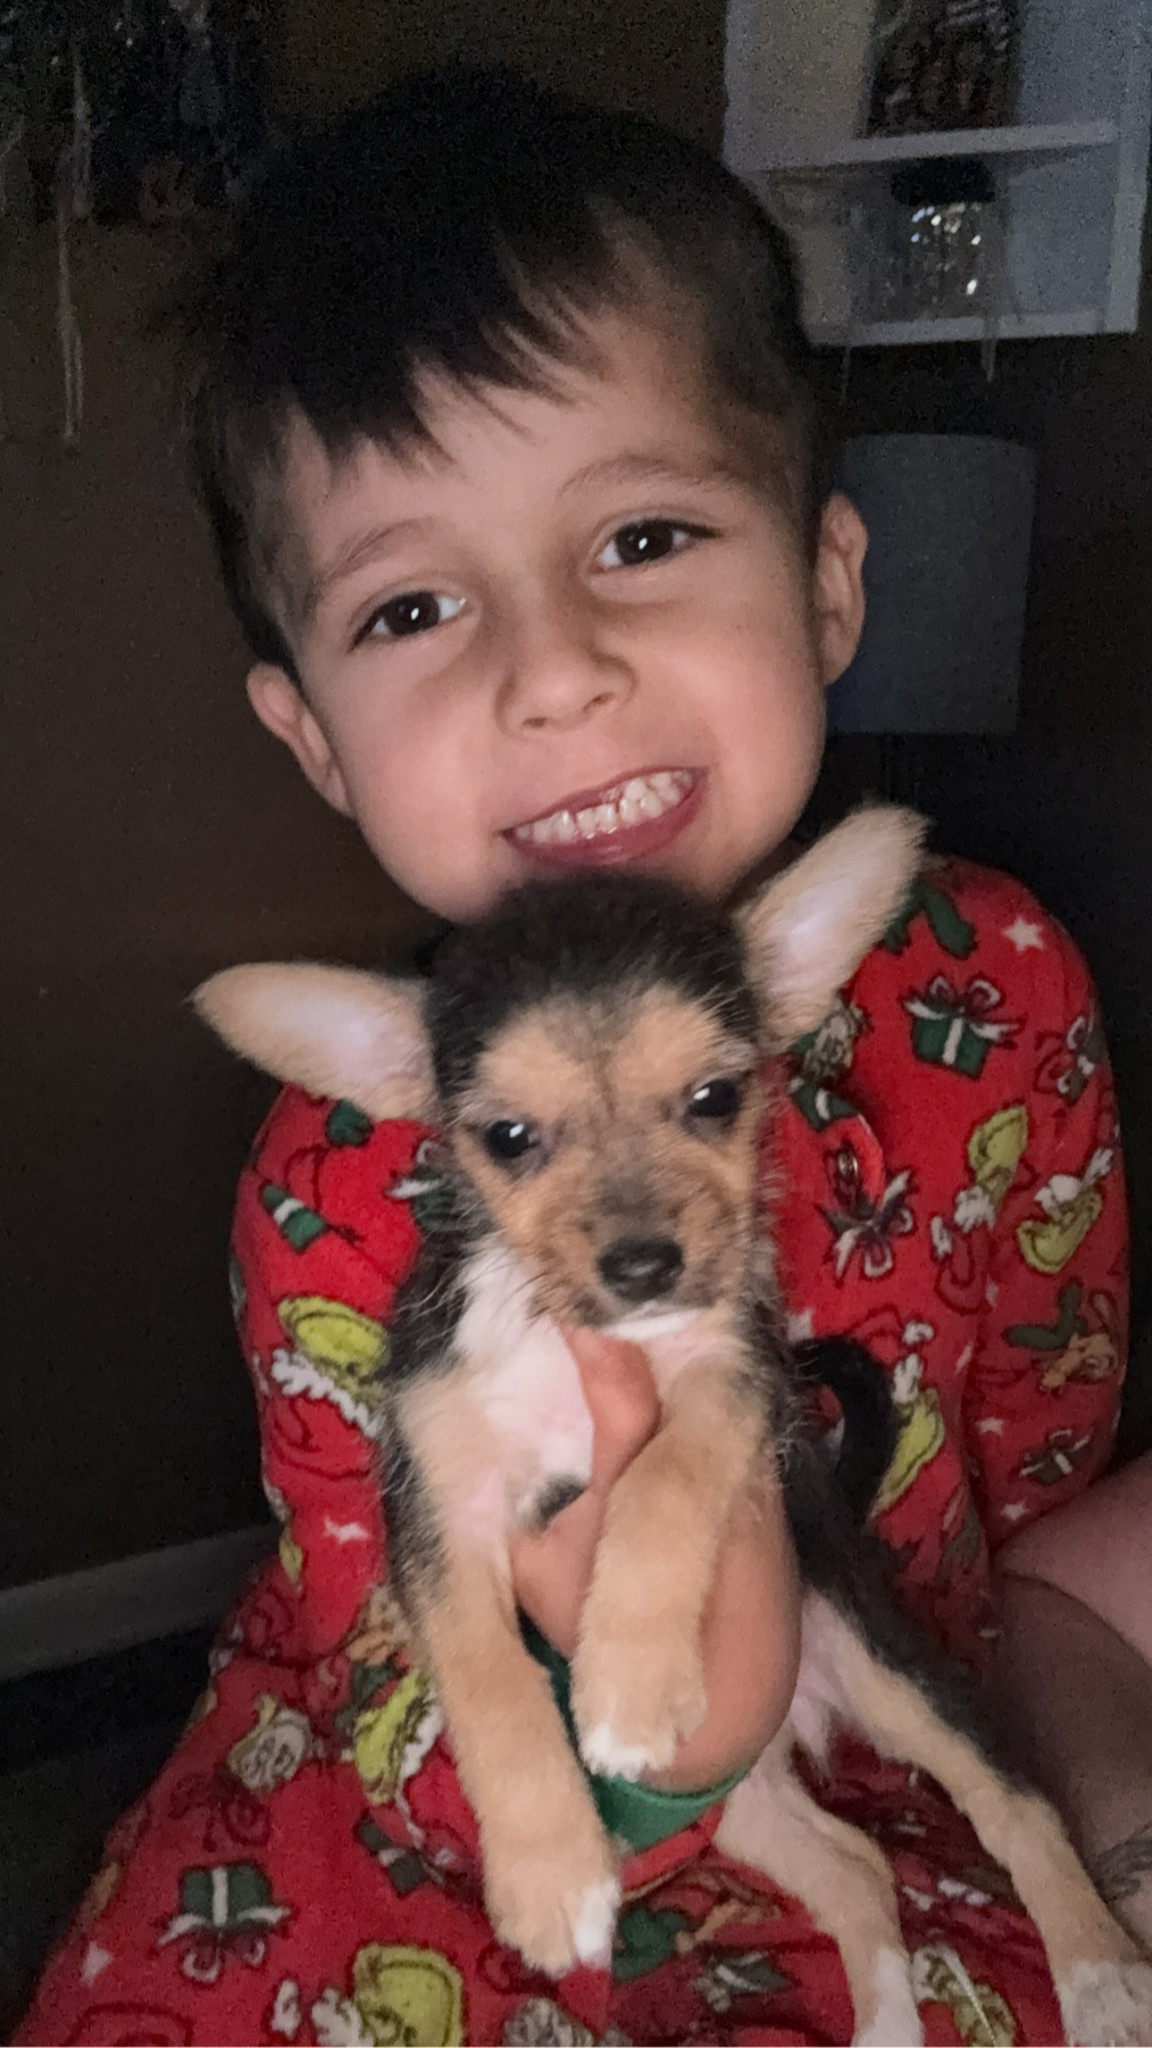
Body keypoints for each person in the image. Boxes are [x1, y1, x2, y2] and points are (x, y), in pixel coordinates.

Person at [17, 67, 1142, 2047]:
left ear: (828, 582)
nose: (553, 672)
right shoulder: (333, 1169)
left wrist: (1088, 1800)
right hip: (436, 1795)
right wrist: (644, 1723)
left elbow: (1035, 1487)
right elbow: (391, 1639)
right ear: (314, 738)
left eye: (641, 533)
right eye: (415, 604)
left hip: (883, 1730)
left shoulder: (1000, 983)